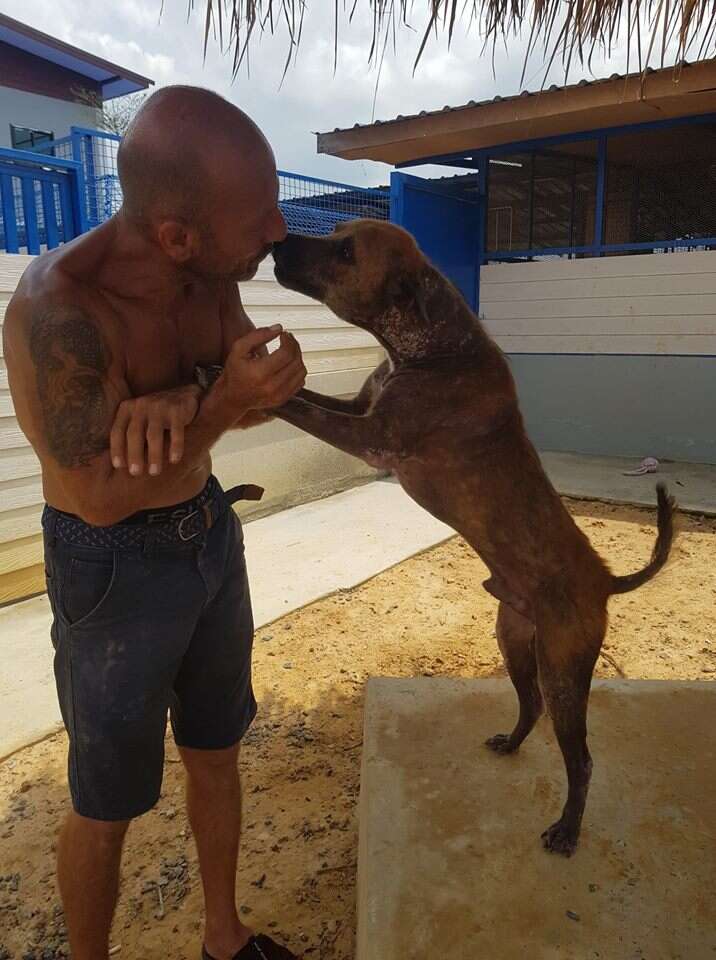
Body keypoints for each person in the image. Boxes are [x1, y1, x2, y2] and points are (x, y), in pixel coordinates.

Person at [3, 86, 306, 960]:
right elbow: (97, 492)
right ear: (177, 235)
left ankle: (223, 936)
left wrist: (198, 401)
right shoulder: (58, 312)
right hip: (109, 569)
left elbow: (253, 389)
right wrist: (214, 410)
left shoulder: (208, 277)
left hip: (206, 534)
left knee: (216, 747)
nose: (279, 231)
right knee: (106, 802)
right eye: (259, 218)